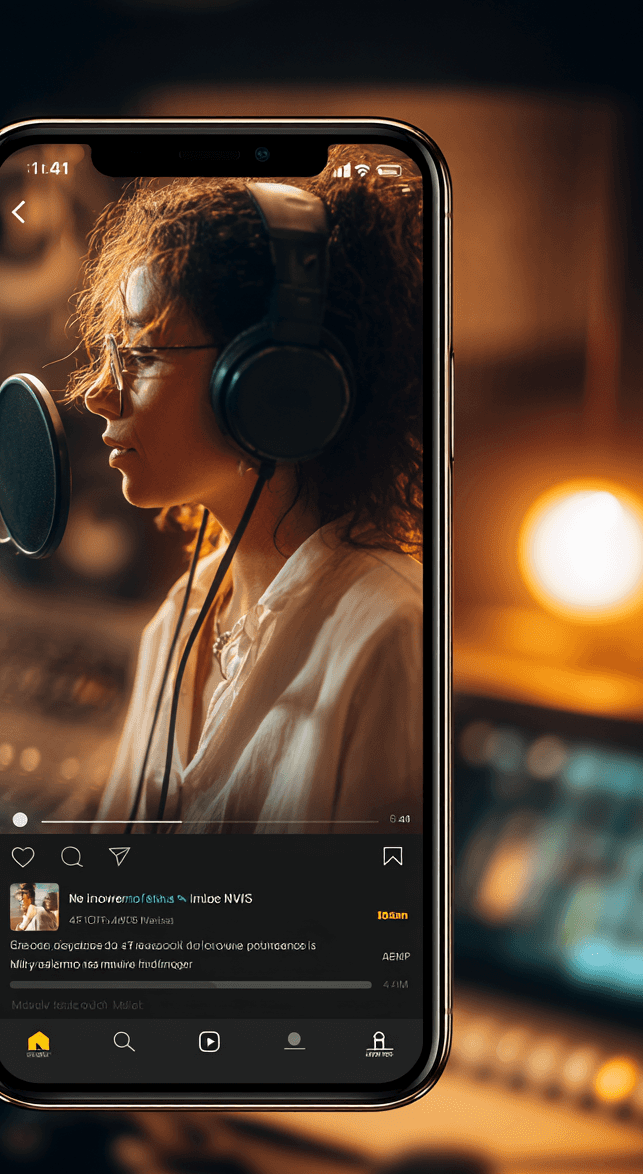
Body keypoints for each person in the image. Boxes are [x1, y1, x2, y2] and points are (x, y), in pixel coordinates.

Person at [69, 150, 424, 827]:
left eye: (141, 355)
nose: (98, 394)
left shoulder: (388, 631)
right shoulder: (179, 618)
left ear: (271, 382)